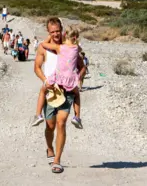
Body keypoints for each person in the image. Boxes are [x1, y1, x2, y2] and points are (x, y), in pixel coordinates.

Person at [33, 17, 86, 174]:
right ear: (48, 32)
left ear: (62, 29)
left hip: (67, 89)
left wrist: (78, 79)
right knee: (50, 126)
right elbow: (36, 67)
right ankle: (50, 149)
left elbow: (82, 66)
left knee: (61, 123)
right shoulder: (45, 48)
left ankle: (57, 160)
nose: (56, 34)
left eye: (58, 31)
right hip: (51, 90)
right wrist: (44, 80)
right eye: (52, 32)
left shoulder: (70, 45)